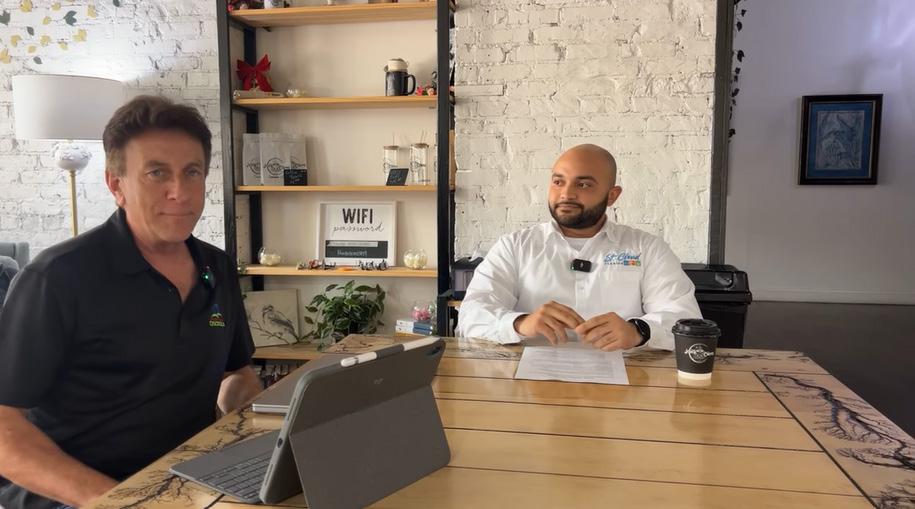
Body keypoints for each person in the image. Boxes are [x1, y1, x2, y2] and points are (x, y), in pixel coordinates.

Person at [0, 96, 263, 509]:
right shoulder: (57, 278)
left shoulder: (217, 268)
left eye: (192, 172)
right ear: (115, 184)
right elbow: (4, 427)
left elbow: (237, 374)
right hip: (80, 498)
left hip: (183, 485)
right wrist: (121, 501)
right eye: (157, 173)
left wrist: (254, 435)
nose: (179, 192)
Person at [456, 144, 701, 351]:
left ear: (612, 195)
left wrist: (639, 331)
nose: (566, 194)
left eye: (583, 185)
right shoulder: (515, 247)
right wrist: (520, 323)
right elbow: (470, 317)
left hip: (628, 381)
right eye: (558, 182)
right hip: (528, 382)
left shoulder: (647, 249)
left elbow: (685, 318)